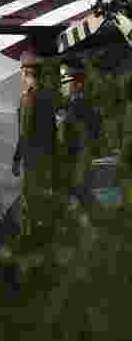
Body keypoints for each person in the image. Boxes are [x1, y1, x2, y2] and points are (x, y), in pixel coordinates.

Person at [10, 50, 55, 239]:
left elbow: (25, 131)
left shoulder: (28, 97)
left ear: (25, 73)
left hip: (32, 154)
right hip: (47, 152)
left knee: (30, 194)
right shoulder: (47, 94)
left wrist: (16, 157)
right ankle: (45, 229)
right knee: (44, 192)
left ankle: (32, 235)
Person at [55, 58, 103, 228]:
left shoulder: (80, 103)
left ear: (78, 82)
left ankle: (96, 221)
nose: (64, 84)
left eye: (67, 80)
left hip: (81, 151)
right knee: (76, 188)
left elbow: (83, 133)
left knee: (80, 187)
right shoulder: (73, 102)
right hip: (76, 152)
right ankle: (89, 221)